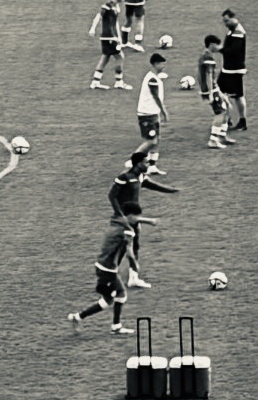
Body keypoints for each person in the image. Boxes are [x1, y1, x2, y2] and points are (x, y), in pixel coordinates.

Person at [67, 202, 158, 335]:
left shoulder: (116, 221)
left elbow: (129, 218)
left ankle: (78, 317)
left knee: (109, 300)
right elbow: (129, 253)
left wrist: (149, 221)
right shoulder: (128, 232)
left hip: (101, 265)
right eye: (137, 217)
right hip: (108, 269)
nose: (138, 220)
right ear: (130, 216)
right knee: (121, 295)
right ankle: (115, 326)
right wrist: (135, 265)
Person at [108, 151, 177, 289]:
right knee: (121, 249)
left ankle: (133, 278)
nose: (148, 164)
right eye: (146, 162)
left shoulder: (140, 177)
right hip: (124, 217)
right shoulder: (124, 177)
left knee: (135, 246)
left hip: (134, 217)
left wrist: (172, 190)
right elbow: (112, 195)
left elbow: (154, 186)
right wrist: (119, 214)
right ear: (138, 164)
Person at [88, 0, 131, 91]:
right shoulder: (107, 6)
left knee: (105, 58)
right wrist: (92, 28)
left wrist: (119, 37)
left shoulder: (116, 7)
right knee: (120, 57)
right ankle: (119, 82)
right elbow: (98, 16)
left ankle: (95, 82)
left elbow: (115, 23)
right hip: (109, 37)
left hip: (111, 38)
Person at [199, 34, 236, 149]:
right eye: (217, 45)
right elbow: (209, 77)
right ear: (211, 45)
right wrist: (211, 93)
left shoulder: (204, 57)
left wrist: (218, 92)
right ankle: (213, 140)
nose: (219, 47)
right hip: (211, 91)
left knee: (227, 108)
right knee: (220, 113)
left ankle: (222, 135)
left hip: (214, 89)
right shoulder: (208, 59)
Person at [135, 53, 169, 175]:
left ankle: (152, 166)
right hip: (147, 114)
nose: (164, 66)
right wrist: (164, 111)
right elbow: (156, 97)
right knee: (151, 141)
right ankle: (134, 160)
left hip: (153, 113)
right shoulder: (152, 80)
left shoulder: (154, 77)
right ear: (155, 64)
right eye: (162, 64)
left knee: (156, 139)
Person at [219, 9, 248, 131]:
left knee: (238, 96)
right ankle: (227, 120)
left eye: (227, 21)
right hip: (228, 69)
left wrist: (220, 49)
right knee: (220, 92)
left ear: (233, 18)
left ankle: (241, 121)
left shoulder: (238, 32)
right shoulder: (232, 30)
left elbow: (234, 51)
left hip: (234, 69)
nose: (225, 24)